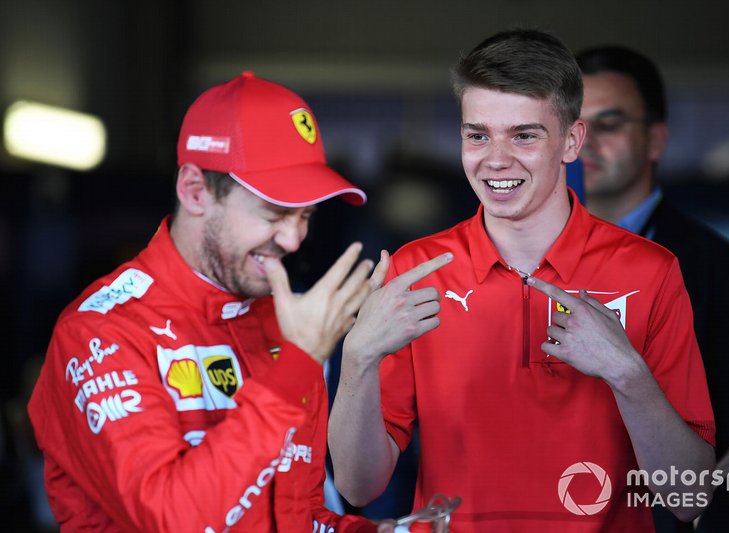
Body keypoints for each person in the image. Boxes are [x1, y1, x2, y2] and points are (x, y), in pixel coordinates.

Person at [329, 29, 716, 532]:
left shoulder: (649, 271)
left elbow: (689, 497)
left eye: (524, 135)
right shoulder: (417, 270)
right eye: (478, 134)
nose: (495, 158)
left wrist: (627, 374)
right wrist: (358, 357)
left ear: (571, 141)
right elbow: (359, 487)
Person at [26, 72, 447, 532]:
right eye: (273, 214)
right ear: (194, 190)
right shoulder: (99, 334)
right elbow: (170, 518)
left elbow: (297, 517)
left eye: (305, 215)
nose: (292, 239)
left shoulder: (278, 319)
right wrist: (297, 364)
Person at [576, 46, 729, 462]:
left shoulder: (728, 274)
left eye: (609, 123)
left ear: (655, 139)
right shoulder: (515, 258)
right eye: (572, 124)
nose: (586, 143)